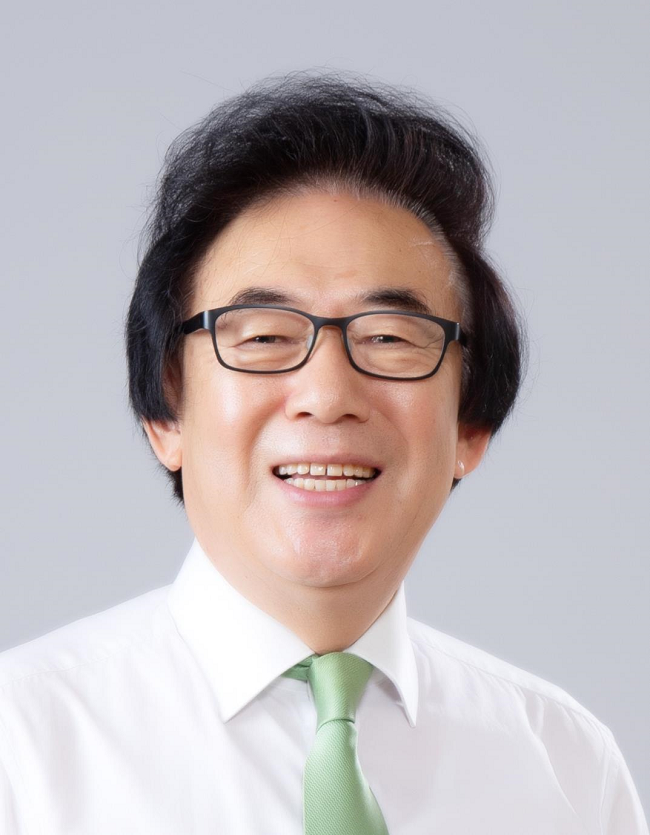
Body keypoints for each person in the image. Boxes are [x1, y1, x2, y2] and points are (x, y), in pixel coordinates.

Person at [0, 72, 647, 835]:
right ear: (165, 411)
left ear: (470, 424)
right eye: (264, 336)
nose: (327, 393)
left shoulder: (566, 770)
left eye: (389, 337)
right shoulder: (23, 748)